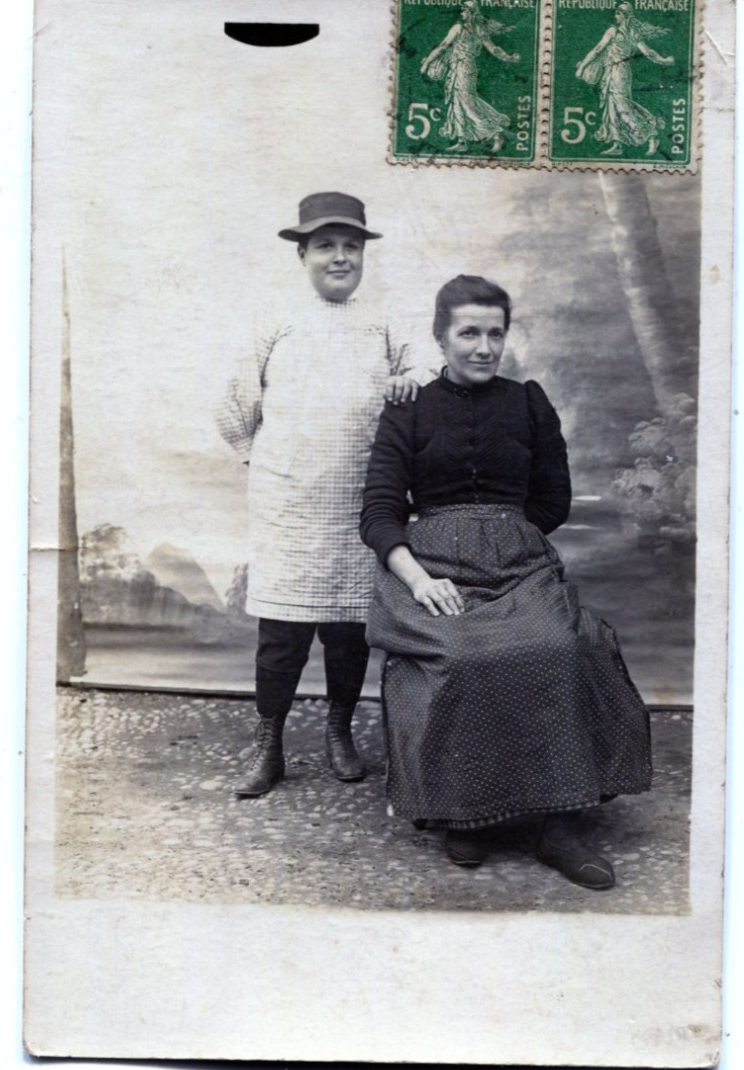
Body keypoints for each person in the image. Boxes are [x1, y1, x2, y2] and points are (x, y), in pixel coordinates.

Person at [360, 275, 652, 890]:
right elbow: (380, 512)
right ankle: (466, 810)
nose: (484, 347)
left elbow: (554, 499)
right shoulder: (407, 406)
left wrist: (504, 535)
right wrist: (419, 577)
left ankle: (556, 822)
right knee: (463, 654)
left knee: (557, 646)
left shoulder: (528, 402)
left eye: (496, 333)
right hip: (430, 565)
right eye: (469, 333)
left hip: (519, 561)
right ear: (441, 338)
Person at [216, 192, 417, 798]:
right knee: (281, 635)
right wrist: (266, 464)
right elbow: (234, 407)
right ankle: (269, 744)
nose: (339, 257)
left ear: (363, 256)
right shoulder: (273, 322)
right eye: (325, 246)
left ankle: (339, 731)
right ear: (302, 254)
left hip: (358, 506)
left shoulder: (383, 323)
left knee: (348, 631)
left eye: (350, 247)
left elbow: (423, 372)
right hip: (290, 507)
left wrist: (409, 379)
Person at [575, 2, 674, 158]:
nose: (615, 16)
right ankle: (617, 144)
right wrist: (663, 60)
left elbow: (597, 50)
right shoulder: (632, 32)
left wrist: (581, 68)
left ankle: (650, 135)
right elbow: (648, 52)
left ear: (625, 15)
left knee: (621, 106)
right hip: (619, 72)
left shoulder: (613, 31)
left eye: (618, 13)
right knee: (612, 106)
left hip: (617, 72)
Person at [420, 0, 519, 154]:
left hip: (463, 69)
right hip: (461, 69)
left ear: (471, 13)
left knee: (468, 103)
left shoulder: (459, 28)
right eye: (462, 10)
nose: (462, 13)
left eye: (465, 10)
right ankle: (461, 141)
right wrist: (509, 57)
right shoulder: (478, 30)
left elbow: (442, 47)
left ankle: (496, 132)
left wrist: (427, 63)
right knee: (457, 102)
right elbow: (494, 49)